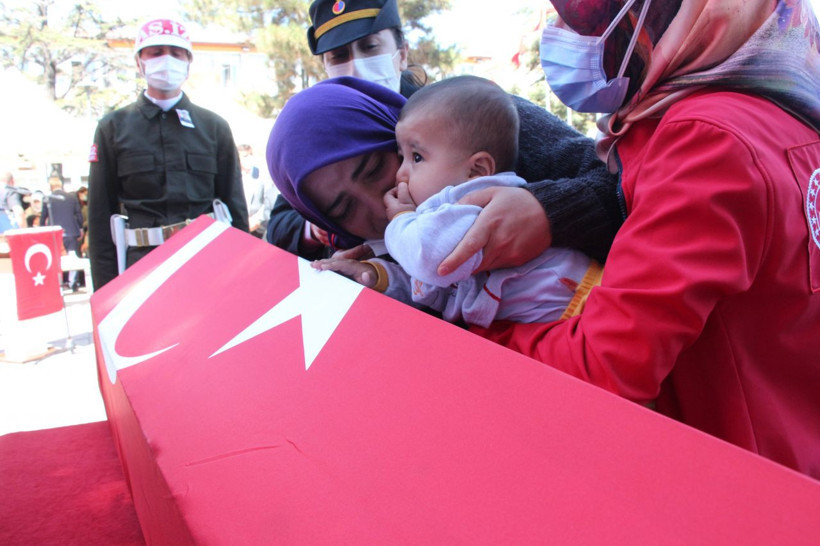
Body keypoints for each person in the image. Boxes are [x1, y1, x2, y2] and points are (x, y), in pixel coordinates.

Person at [466, 0, 820, 478]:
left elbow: (604, 368)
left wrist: (460, 335)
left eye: (586, 17)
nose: (563, 33)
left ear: (655, 17)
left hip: (729, 477)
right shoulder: (787, 114)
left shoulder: (706, 138)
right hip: (794, 465)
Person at [266, 0, 622, 266]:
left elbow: (620, 183)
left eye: (375, 169)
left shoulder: (470, 113)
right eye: (343, 209)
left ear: (401, 52)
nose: (380, 204)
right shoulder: (318, 172)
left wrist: (546, 211)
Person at [313, 76, 602, 327]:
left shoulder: (466, 198)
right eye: (344, 209)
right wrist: (379, 275)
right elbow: (440, 290)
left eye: (415, 158)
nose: (402, 174)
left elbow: (428, 261)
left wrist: (401, 220)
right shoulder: (434, 217)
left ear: (476, 169)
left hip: (582, 306)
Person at [87, 18, 248, 290]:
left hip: (208, 265)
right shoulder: (112, 128)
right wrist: (106, 293)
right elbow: (100, 217)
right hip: (142, 272)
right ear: (139, 62)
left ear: (188, 62)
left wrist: (243, 277)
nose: (167, 60)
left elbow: (236, 209)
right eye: (156, 52)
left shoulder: (214, 127)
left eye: (176, 53)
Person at [40, 176, 84, 291]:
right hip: (71, 231)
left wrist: (42, 231)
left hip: (54, 233)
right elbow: (78, 214)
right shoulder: (71, 197)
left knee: (56, 258)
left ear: (51, 186)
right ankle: (72, 282)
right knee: (73, 257)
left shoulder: (47, 199)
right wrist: (80, 228)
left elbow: (43, 217)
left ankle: (59, 282)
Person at [238, 144, 277, 238]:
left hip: (255, 226)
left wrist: (257, 221)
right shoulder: (233, 176)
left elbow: (269, 201)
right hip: (236, 222)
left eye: (251, 155)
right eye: (245, 156)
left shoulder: (262, 175)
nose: (249, 159)